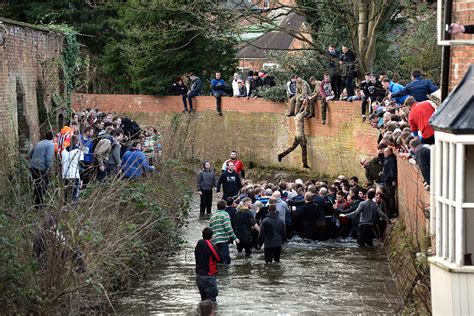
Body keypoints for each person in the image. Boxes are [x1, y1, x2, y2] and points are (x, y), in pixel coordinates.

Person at [278, 104, 310, 168]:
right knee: (304, 149)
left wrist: (303, 105)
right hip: (301, 135)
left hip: (296, 135)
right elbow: (307, 111)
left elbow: (301, 110)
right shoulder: (300, 116)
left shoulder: (296, 116)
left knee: (292, 147)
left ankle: (281, 155)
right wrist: (307, 103)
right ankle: (305, 164)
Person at [195, 227, 221, 302]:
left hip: (199, 276)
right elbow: (219, 259)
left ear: (202, 235)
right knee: (212, 303)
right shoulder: (211, 245)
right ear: (211, 236)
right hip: (208, 277)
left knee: (204, 301)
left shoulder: (199, 243)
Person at [30, 131, 55, 208]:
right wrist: (49, 168)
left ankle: (37, 202)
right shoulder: (50, 145)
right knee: (43, 185)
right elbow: (48, 159)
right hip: (41, 168)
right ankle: (39, 204)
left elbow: (31, 154)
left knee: (37, 184)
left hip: (33, 167)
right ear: (53, 138)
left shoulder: (39, 143)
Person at [209, 200, 239, 264]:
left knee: (218, 260)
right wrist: (235, 238)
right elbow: (228, 227)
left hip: (214, 241)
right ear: (225, 207)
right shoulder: (225, 214)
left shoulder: (213, 216)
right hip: (222, 240)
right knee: (226, 261)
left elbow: (210, 229)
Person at [61, 135, 84, 203]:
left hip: (65, 175)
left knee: (65, 197)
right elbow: (81, 166)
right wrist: (82, 179)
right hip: (74, 175)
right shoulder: (79, 152)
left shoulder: (63, 151)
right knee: (74, 197)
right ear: (77, 142)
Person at [383, 147, 397, 218]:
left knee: (391, 197)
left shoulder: (391, 159)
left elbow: (392, 170)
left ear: (390, 152)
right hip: (386, 181)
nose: (384, 153)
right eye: (384, 152)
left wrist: (393, 180)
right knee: (389, 197)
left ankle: (393, 212)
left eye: (386, 152)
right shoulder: (387, 159)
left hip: (389, 181)